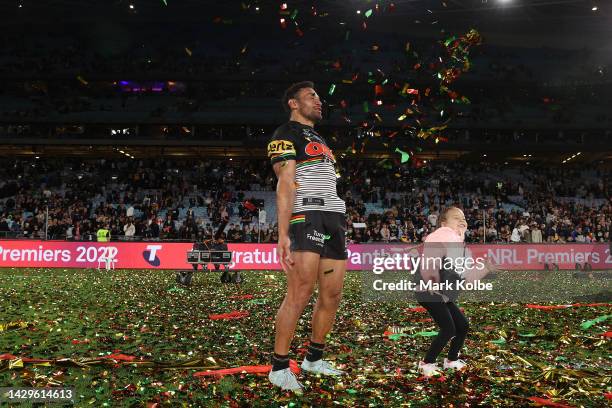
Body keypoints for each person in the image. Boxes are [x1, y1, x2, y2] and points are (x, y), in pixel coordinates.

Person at [267, 81, 347, 391]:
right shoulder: (284, 134)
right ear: (293, 103)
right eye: (311, 96)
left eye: (318, 96)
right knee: (299, 294)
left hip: (333, 218)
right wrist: (283, 233)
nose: (319, 101)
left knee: (332, 295)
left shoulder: (321, 138)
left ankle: (314, 358)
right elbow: (285, 184)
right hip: (306, 217)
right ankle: (279, 367)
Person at [414, 207, 500, 377]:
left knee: (462, 326)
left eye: (463, 218)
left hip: (442, 294)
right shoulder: (441, 235)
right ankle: (426, 363)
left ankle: (451, 360)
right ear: (443, 223)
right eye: (456, 218)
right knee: (448, 328)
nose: (462, 220)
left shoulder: (459, 247)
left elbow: (465, 277)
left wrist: (485, 270)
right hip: (429, 291)